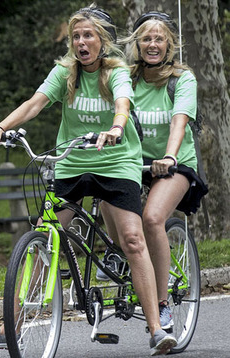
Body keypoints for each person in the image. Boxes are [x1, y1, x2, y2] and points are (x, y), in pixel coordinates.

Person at [0, 5, 177, 355]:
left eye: (89, 35)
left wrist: (116, 127)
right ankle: (14, 325)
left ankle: (157, 328)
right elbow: (35, 103)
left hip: (116, 163)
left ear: (103, 41)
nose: (82, 42)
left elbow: (123, 104)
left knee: (131, 239)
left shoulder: (116, 72)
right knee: (44, 234)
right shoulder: (64, 72)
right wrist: (3, 126)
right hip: (71, 163)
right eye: (77, 36)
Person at [109, 11, 206, 333]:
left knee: (152, 218)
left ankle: (162, 304)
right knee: (103, 189)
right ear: (136, 44)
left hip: (173, 163)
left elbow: (179, 121)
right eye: (146, 38)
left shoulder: (182, 79)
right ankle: (121, 254)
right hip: (133, 161)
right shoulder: (127, 78)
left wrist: (168, 155)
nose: (153, 44)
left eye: (159, 39)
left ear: (170, 45)